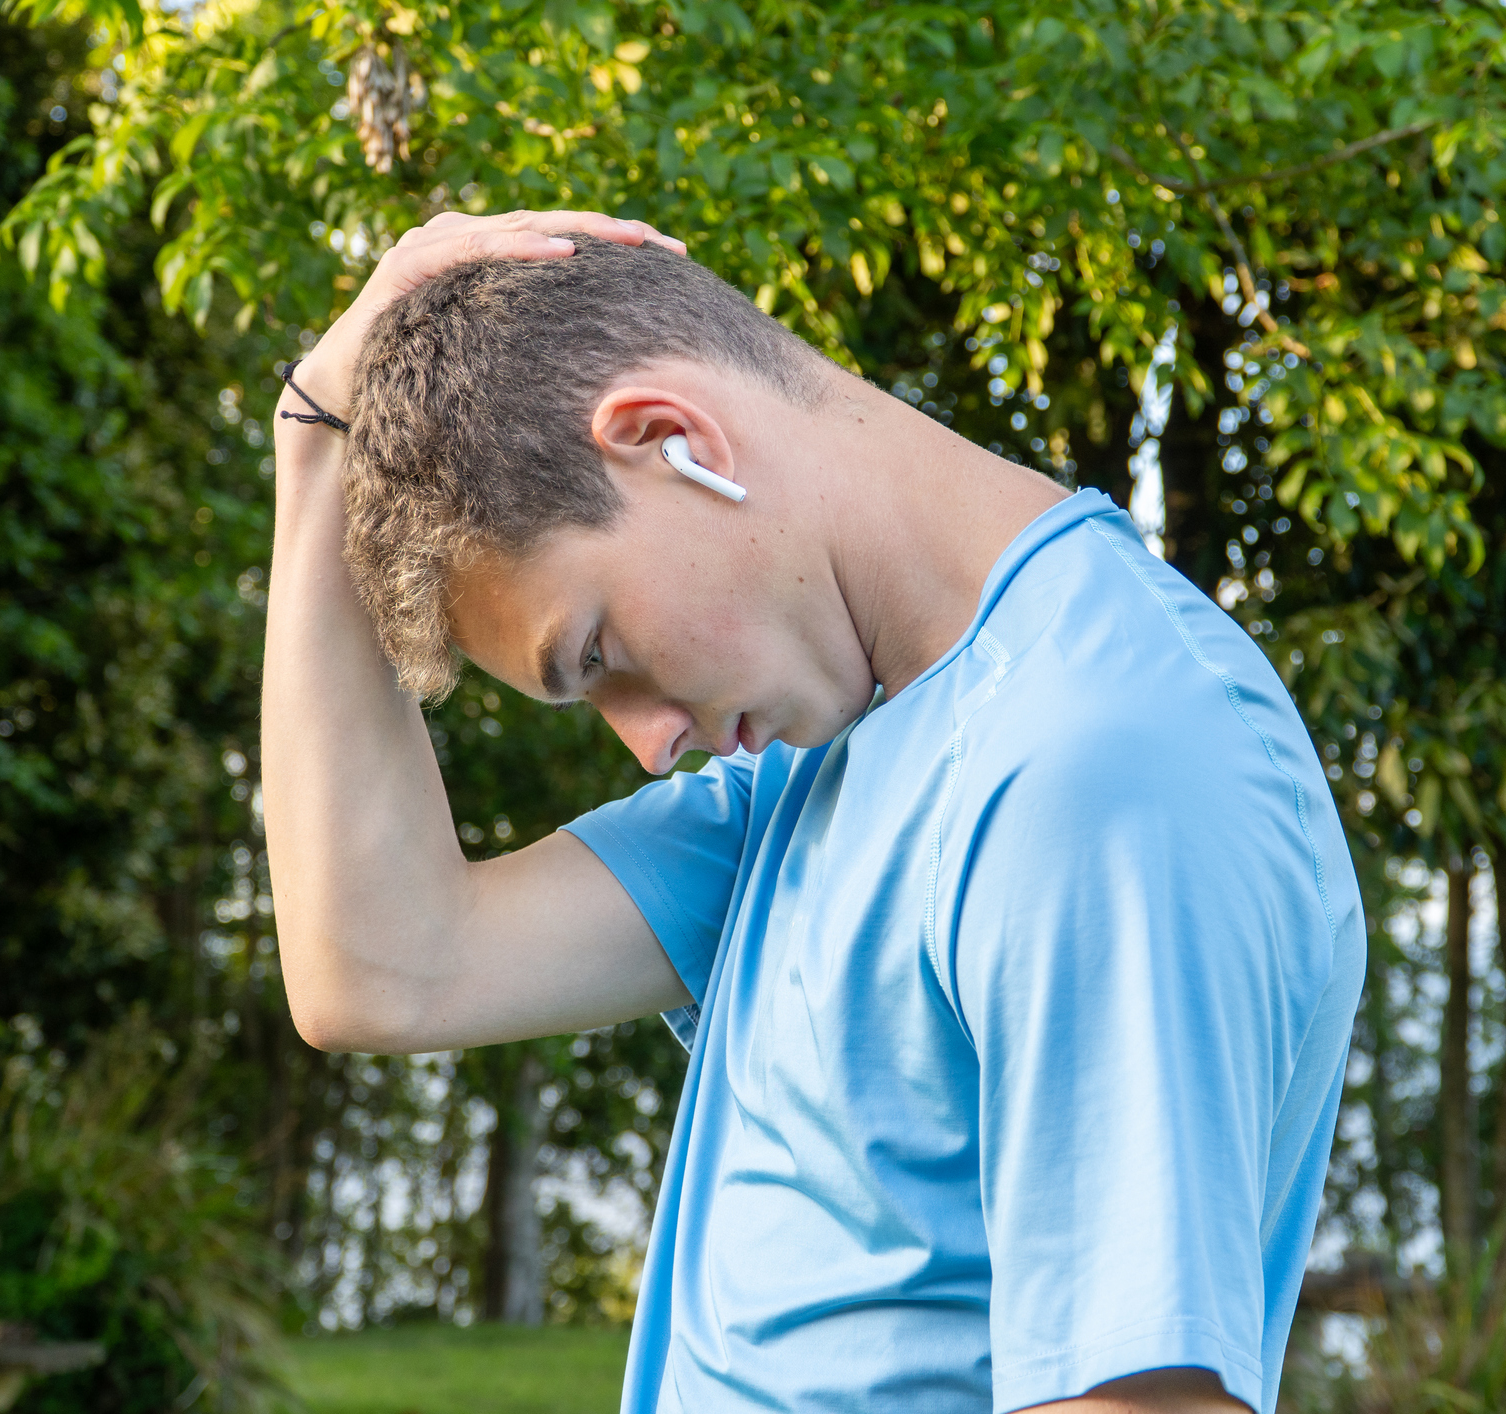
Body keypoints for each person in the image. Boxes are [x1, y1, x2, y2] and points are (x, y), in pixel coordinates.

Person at [263, 208, 1365, 1414]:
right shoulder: (827, 770)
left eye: (599, 651)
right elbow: (382, 967)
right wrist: (313, 431)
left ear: (672, 439)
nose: (646, 743)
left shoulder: (1096, 766)